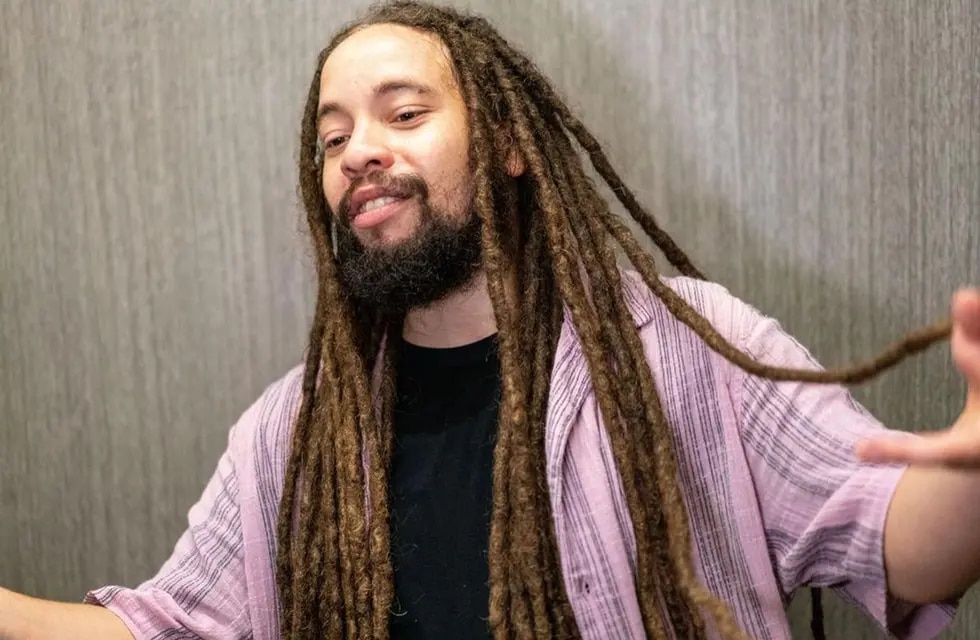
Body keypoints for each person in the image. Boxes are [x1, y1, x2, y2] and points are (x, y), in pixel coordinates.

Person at [1, 2, 978, 639]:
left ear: (508, 145)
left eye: (403, 114)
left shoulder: (687, 350)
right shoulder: (292, 435)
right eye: (332, 137)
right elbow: (165, 628)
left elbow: (906, 545)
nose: (357, 151)